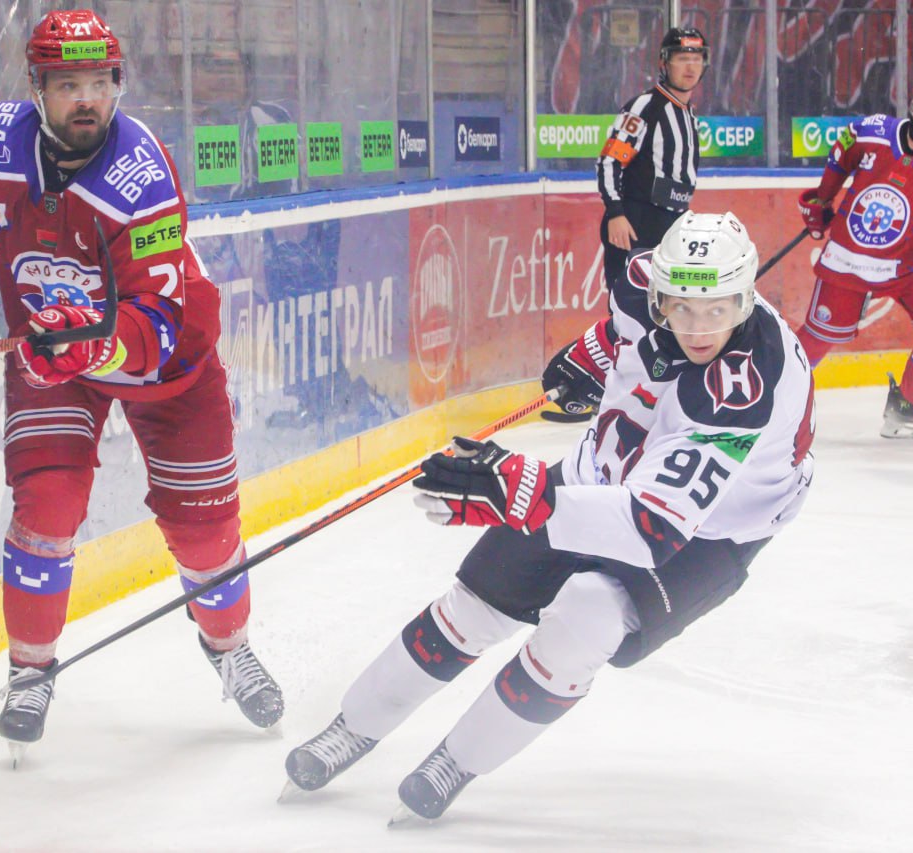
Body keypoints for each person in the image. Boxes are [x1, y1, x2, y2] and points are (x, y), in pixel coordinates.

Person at [282, 212, 816, 822]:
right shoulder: (644, 281)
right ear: (660, 293)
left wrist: (524, 492)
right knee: (475, 604)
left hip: (710, 529)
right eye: (682, 309)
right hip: (604, 473)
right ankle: (353, 726)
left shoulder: (743, 391)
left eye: (716, 310)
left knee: (588, 615)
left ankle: (458, 760)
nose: (697, 328)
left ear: (745, 299)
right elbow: (625, 331)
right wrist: (595, 354)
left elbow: (653, 530)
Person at [0, 9, 283, 762]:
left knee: (205, 529)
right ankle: (29, 672)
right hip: (53, 352)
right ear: (37, 89)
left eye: (99, 83)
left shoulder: (141, 174)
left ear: (118, 84)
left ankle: (230, 645)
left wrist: (93, 344)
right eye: (68, 85)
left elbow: (159, 315)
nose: (86, 99)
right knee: (46, 504)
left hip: (168, 363)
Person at [795, 72, 913, 439]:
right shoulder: (872, 132)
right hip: (851, 260)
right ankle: (765, 397)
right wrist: (822, 198)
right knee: (814, 340)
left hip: (911, 264)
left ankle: (906, 407)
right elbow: (842, 152)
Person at [596, 27, 706, 291]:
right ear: (664, 63)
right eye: (682, 58)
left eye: (696, 58)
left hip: (673, 225)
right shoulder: (645, 107)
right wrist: (615, 213)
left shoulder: (688, 113)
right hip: (635, 223)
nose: (690, 66)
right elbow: (610, 161)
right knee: (631, 303)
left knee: (670, 304)